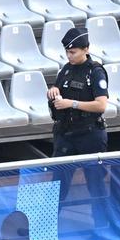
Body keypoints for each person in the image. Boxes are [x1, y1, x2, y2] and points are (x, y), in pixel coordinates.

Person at [47, 26, 111, 158]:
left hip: (89, 133)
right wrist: (53, 90)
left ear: (86, 49)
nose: (69, 56)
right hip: (66, 132)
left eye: (73, 52)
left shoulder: (95, 72)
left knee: (93, 176)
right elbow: (58, 88)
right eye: (67, 52)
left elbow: (101, 105)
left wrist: (71, 103)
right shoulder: (67, 69)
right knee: (60, 175)